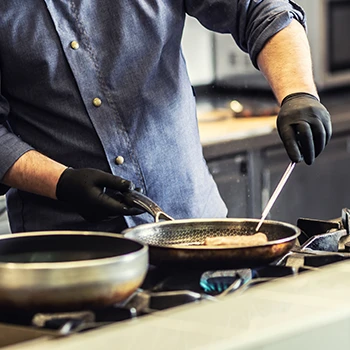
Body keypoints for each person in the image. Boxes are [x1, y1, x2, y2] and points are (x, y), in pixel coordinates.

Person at [0, 1, 332, 233]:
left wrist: (298, 92)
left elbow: (259, 9)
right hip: (69, 255)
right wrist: (62, 183)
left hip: (195, 232)